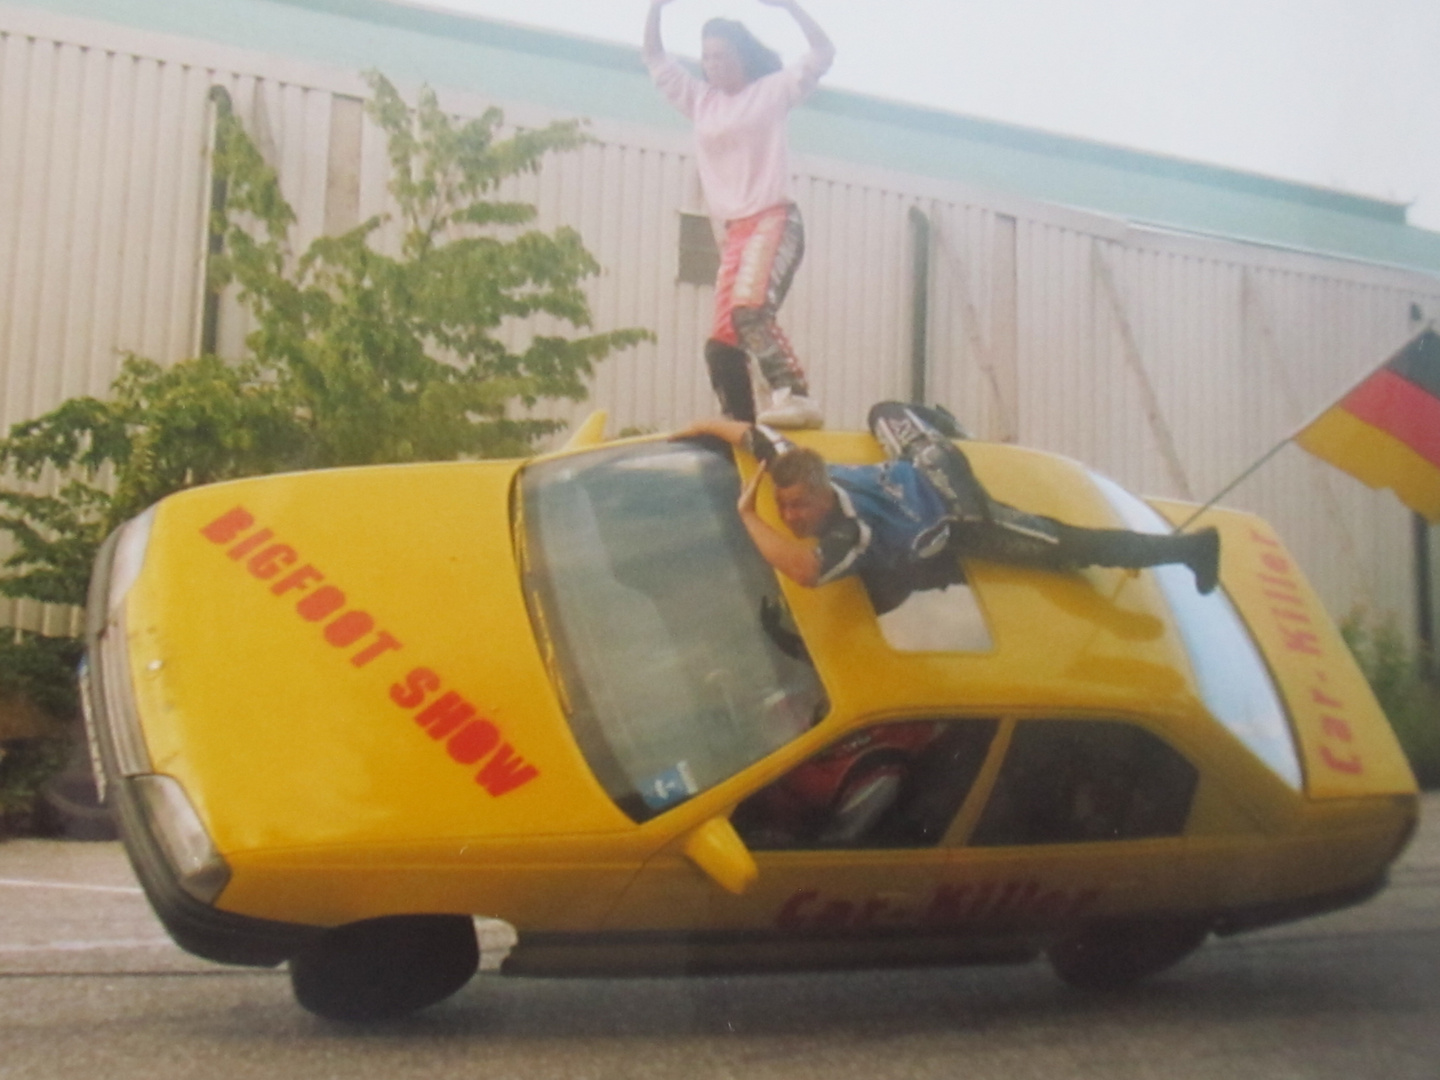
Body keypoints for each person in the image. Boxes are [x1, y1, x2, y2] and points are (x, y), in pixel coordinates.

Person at [679, 403, 1222, 614]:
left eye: (798, 509)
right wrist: (699, 428)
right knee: (885, 411)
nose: (791, 518)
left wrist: (748, 517)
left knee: (1069, 547)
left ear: (823, 492)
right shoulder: (797, 462)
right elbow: (753, 434)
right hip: (926, 456)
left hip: (956, 513)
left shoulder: (854, 534)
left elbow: (802, 570)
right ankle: (952, 430)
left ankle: (1192, 549)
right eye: (782, 507)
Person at [643, 0, 835, 429]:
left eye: (722, 57)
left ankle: (795, 395)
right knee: (722, 342)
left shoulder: (772, 90)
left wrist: (790, 7)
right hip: (734, 234)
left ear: (742, 58)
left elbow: (822, 53)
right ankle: (741, 424)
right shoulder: (701, 100)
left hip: (773, 218)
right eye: (707, 58)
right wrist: (657, 7)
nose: (713, 66)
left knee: (750, 309)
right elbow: (655, 57)